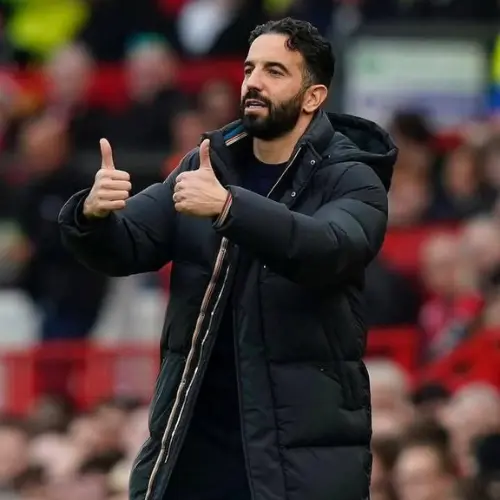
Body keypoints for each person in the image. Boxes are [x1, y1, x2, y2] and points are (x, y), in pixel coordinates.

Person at [59, 17, 397, 500]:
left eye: (275, 71)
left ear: (313, 96)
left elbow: (330, 249)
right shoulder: (208, 161)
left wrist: (229, 208)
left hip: (294, 456)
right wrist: (92, 214)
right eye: (249, 69)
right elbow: (128, 244)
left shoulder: (351, 178)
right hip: (191, 443)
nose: (254, 82)